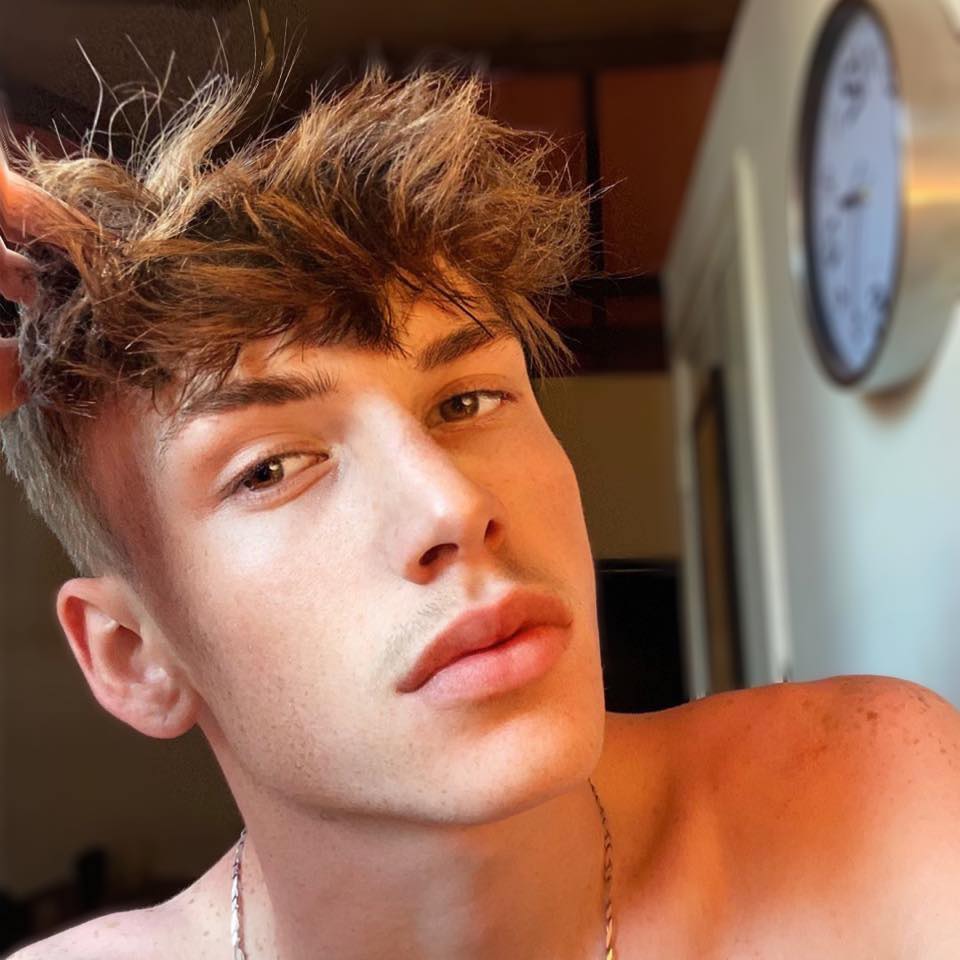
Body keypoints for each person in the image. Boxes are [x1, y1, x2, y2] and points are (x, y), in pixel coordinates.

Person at [1, 62, 959, 960]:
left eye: (466, 400)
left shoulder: (883, 797)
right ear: (133, 655)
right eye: (273, 468)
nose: (452, 506)